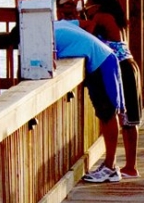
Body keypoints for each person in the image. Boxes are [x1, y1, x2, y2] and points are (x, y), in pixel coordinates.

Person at [80, 0, 143, 179]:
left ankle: (111, 165)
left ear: (97, 6)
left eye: (87, 5)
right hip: (129, 64)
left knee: (116, 115)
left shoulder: (101, 17)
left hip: (120, 67)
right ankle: (130, 167)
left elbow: (88, 36)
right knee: (130, 119)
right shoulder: (116, 18)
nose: (86, 9)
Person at [52, 20, 123, 183]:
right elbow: (84, 23)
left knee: (108, 114)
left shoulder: (49, 37)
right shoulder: (58, 24)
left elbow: (49, 63)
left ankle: (110, 168)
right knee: (107, 114)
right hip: (105, 56)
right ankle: (109, 165)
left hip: (101, 63)